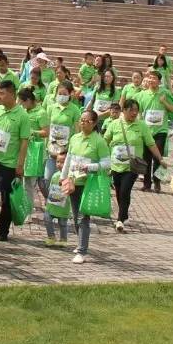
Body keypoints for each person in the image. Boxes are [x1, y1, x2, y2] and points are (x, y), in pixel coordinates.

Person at [103, 99, 166, 233]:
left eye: (136, 110)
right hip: (116, 165)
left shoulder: (141, 126)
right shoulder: (114, 124)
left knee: (125, 190)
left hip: (132, 166)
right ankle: (124, 213)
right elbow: (105, 141)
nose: (134, 113)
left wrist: (160, 159)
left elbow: (151, 143)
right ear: (124, 110)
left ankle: (120, 219)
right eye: (131, 110)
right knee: (119, 191)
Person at [0, 80, 30, 241]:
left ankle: (3, 231)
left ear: (12, 94)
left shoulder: (22, 115)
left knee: (6, 200)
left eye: (2, 93)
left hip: (9, 164)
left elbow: (24, 142)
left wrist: (20, 165)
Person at [61, 111, 110, 263]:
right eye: (81, 120)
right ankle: (80, 243)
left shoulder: (99, 141)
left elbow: (107, 163)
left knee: (83, 217)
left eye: (87, 121)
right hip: (73, 182)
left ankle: (82, 250)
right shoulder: (75, 138)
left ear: (94, 123)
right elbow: (69, 159)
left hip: (89, 184)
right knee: (76, 216)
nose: (83, 123)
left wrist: (90, 167)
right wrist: (63, 176)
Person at [134, 71, 173, 192]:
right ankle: (147, 184)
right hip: (146, 131)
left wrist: (164, 102)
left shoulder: (165, 93)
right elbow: (139, 112)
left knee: (158, 157)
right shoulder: (142, 95)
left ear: (159, 81)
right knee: (146, 158)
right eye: (150, 78)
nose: (151, 80)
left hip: (160, 131)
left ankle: (157, 182)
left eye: (154, 78)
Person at [43, 150, 70, 246]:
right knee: (47, 218)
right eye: (57, 162)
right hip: (52, 203)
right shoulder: (55, 175)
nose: (59, 164)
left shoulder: (70, 176)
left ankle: (63, 239)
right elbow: (50, 188)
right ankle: (51, 237)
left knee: (62, 223)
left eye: (62, 162)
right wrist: (47, 199)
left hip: (64, 205)